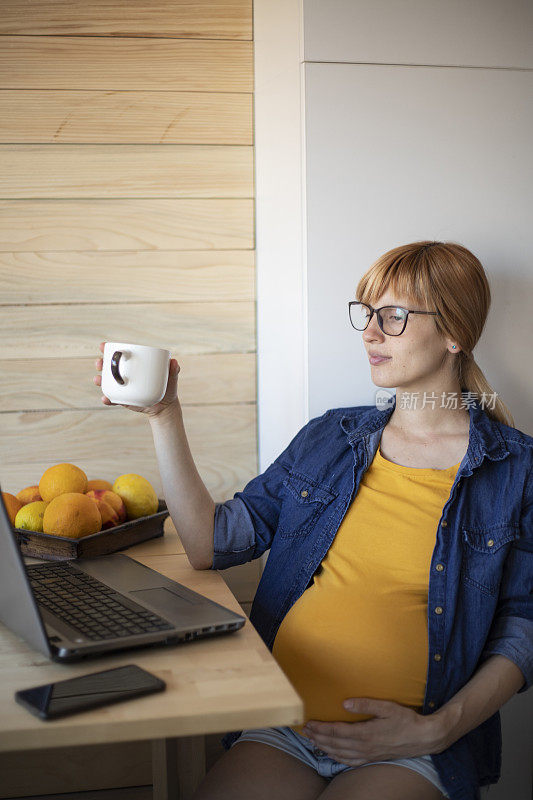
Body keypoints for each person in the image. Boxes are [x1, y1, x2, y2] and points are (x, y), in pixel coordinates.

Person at [94, 240, 532, 800]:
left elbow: (524, 627)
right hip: (285, 728)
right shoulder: (330, 437)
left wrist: (435, 729)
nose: (371, 333)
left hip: (411, 749)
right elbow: (211, 542)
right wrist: (163, 415)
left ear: (455, 334)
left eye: (394, 316)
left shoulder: (516, 469)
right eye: (367, 314)